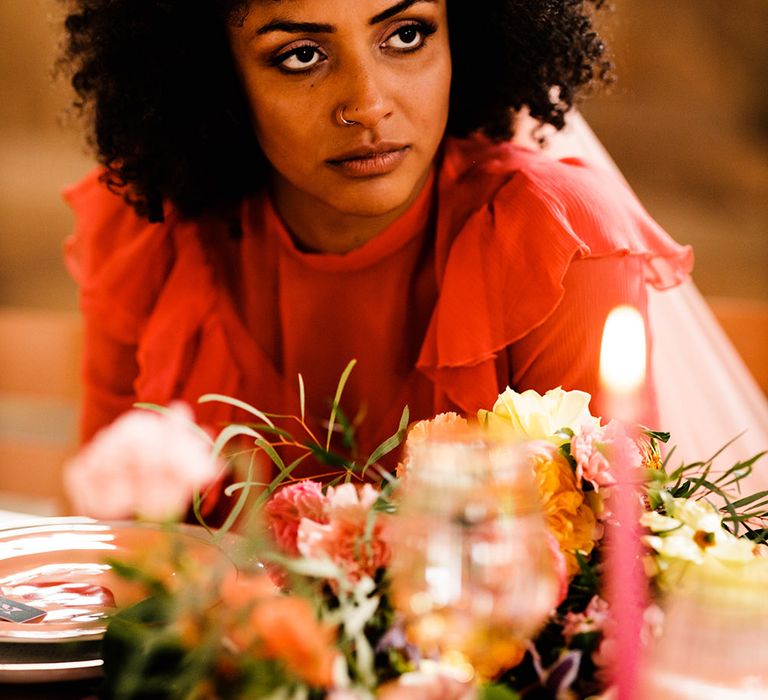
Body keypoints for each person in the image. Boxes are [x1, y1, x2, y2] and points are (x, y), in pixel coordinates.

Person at [60, 0, 693, 475]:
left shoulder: (557, 240)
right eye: (301, 55)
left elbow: (600, 569)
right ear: (212, 75)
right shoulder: (147, 233)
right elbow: (111, 530)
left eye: (406, 35)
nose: (367, 104)